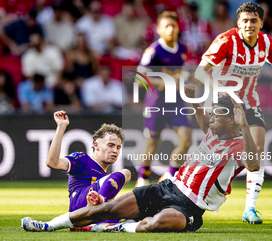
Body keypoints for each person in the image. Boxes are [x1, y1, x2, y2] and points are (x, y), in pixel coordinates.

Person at [21, 90, 260, 233]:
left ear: (232, 120)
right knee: (105, 208)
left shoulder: (240, 145)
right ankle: (48, 225)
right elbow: (203, 120)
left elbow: (253, 165)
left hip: (190, 207)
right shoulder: (213, 132)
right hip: (167, 188)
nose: (210, 119)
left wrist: (245, 124)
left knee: (158, 224)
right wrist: (195, 100)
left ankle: (116, 227)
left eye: (217, 115)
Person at [195, 2, 270, 224]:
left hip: (249, 101)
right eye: (245, 21)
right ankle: (191, 192)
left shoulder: (266, 43)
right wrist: (220, 89)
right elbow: (200, 71)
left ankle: (250, 209)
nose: (249, 25)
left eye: (253, 21)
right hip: (223, 102)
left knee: (256, 153)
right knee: (218, 156)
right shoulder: (227, 41)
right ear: (238, 23)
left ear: (261, 23)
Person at [33, 110, 131, 230]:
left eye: (118, 147)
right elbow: (52, 162)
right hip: (79, 206)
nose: (115, 150)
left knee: (134, 214)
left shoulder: (107, 178)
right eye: (110, 145)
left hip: (92, 215)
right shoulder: (83, 159)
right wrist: (61, 127)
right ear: (96, 145)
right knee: (125, 173)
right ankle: (98, 203)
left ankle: (88, 226)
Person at [135, 11, 192, 187]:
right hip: (156, 102)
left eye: (173, 26)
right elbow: (139, 77)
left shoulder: (182, 49)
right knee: (152, 144)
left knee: (186, 140)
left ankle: (169, 175)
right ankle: (142, 177)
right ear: (158, 30)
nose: (170, 29)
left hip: (176, 102)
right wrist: (166, 82)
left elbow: (179, 74)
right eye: (166, 26)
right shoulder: (153, 51)